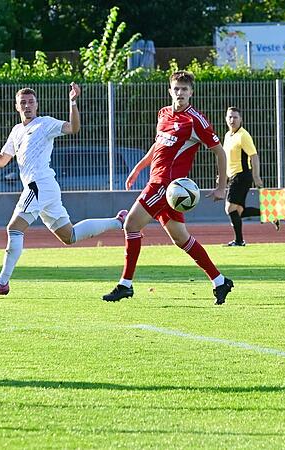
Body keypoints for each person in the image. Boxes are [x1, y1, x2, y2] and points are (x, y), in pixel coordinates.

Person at [0, 83, 127, 298]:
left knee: (14, 228)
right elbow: (2, 160)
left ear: (37, 105)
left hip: (39, 185)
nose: (27, 106)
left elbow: (73, 128)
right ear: (16, 107)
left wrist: (73, 102)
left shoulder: (45, 124)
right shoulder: (17, 131)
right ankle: (118, 221)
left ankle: (2, 282)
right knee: (70, 236)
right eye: (23, 103)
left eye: (31, 102)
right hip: (45, 188)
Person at [102, 70, 234, 305]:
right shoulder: (163, 114)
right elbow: (158, 145)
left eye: (185, 89)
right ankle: (219, 280)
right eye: (176, 88)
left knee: (131, 224)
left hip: (166, 186)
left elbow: (219, 151)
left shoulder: (195, 120)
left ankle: (125, 285)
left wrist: (221, 186)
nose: (180, 93)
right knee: (181, 239)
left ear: (191, 92)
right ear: (170, 90)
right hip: (161, 185)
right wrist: (139, 167)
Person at [223, 106, 279, 246]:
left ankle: (239, 241)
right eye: (230, 117)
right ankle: (269, 213)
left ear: (241, 119)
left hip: (241, 176)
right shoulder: (227, 136)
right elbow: (227, 158)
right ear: (226, 118)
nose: (232, 120)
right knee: (238, 212)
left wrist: (256, 176)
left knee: (229, 208)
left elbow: (253, 156)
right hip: (233, 176)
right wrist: (222, 175)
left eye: (235, 117)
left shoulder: (243, 135)